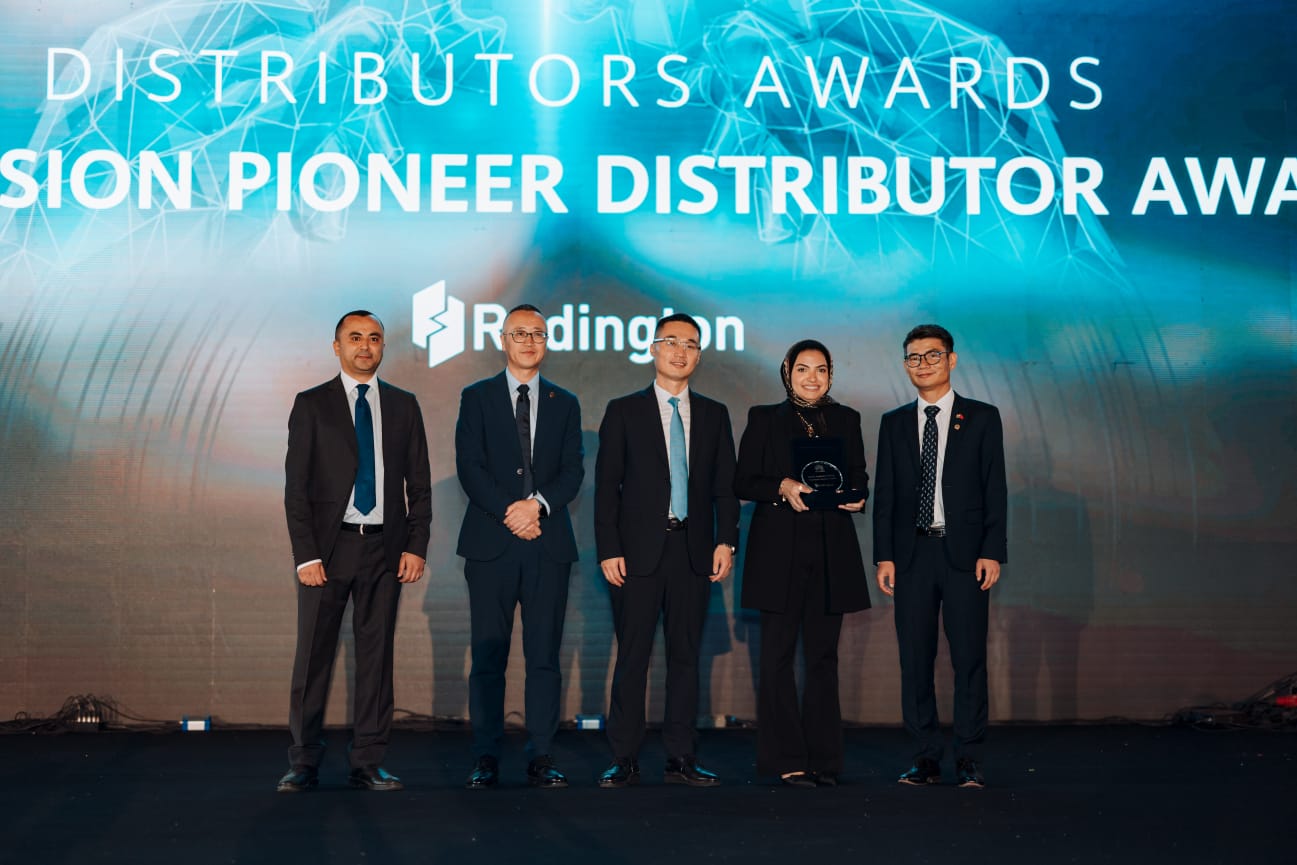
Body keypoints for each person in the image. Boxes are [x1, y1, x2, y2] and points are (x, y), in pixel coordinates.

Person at [279, 310, 432, 793]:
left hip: (385, 549)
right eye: (355, 338)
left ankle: (368, 761)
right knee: (313, 658)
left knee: (376, 659)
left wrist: (416, 545)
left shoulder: (404, 405)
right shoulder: (311, 404)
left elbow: (419, 485)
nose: (365, 346)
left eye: (374, 338)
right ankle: (303, 761)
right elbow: (296, 489)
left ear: (383, 346)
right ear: (337, 346)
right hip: (328, 551)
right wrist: (306, 555)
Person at [594, 313, 740, 788]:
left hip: (693, 551)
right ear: (653, 348)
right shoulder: (624, 410)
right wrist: (609, 548)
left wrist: (726, 540)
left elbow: (725, 487)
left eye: (691, 344)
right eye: (671, 342)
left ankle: (681, 756)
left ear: (699, 355)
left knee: (686, 657)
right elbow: (606, 487)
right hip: (637, 553)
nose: (681, 351)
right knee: (632, 657)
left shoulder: (715, 414)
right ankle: (624, 757)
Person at [455, 304, 584, 789]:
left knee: (544, 656)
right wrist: (512, 512)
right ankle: (485, 755)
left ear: (547, 342)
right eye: (519, 333)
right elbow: (470, 466)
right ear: (502, 340)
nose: (529, 341)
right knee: (488, 657)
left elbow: (572, 471)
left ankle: (542, 755)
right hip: (491, 543)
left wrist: (537, 508)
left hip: (547, 545)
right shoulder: (476, 397)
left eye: (538, 334)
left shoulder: (564, 401)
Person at [873, 324, 1007, 789]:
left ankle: (969, 756)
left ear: (951, 360)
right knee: (915, 659)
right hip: (911, 556)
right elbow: (886, 495)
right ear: (905, 365)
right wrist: (884, 556)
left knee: (969, 658)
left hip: (965, 556)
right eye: (914, 357)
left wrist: (992, 550)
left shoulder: (982, 417)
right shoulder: (893, 423)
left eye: (932, 355)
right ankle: (925, 756)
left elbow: (994, 488)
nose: (923, 364)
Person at [734, 339, 870, 787]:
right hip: (778, 552)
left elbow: (859, 477)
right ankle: (786, 758)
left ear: (831, 375)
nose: (812, 377)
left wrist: (857, 495)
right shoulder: (764, 418)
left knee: (823, 658)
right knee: (776, 658)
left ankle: (825, 759)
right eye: (803, 369)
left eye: (821, 369)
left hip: (831, 552)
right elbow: (743, 481)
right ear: (787, 372)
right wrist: (782, 486)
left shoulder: (847, 419)